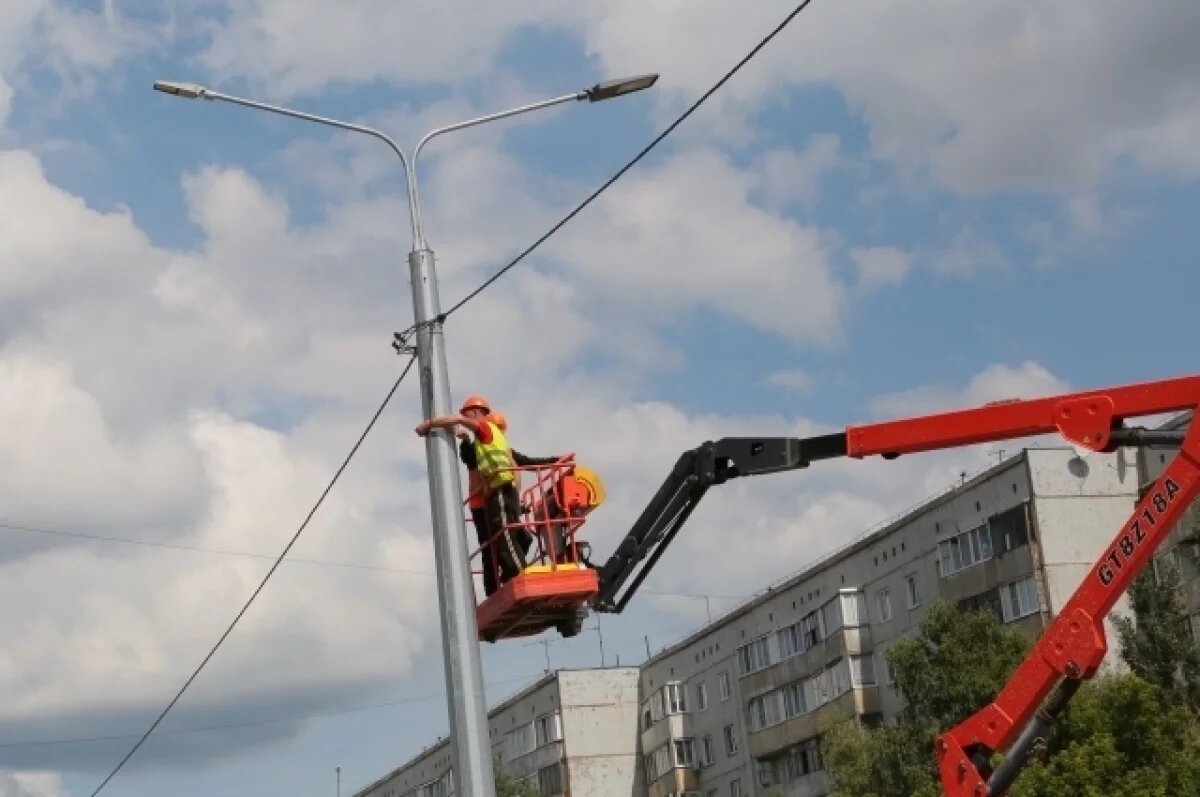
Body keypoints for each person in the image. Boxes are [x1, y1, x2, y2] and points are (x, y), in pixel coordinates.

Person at [416, 395, 525, 590]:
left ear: (476, 413)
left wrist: (429, 424)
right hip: (496, 491)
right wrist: (464, 438)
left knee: (505, 535)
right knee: (502, 538)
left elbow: (457, 420)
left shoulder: (485, 429)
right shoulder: (490, 437)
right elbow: (470, 456)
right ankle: (508, 577)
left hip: (499, 488)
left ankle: (517, 575)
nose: (466, 418)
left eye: (468, 415)